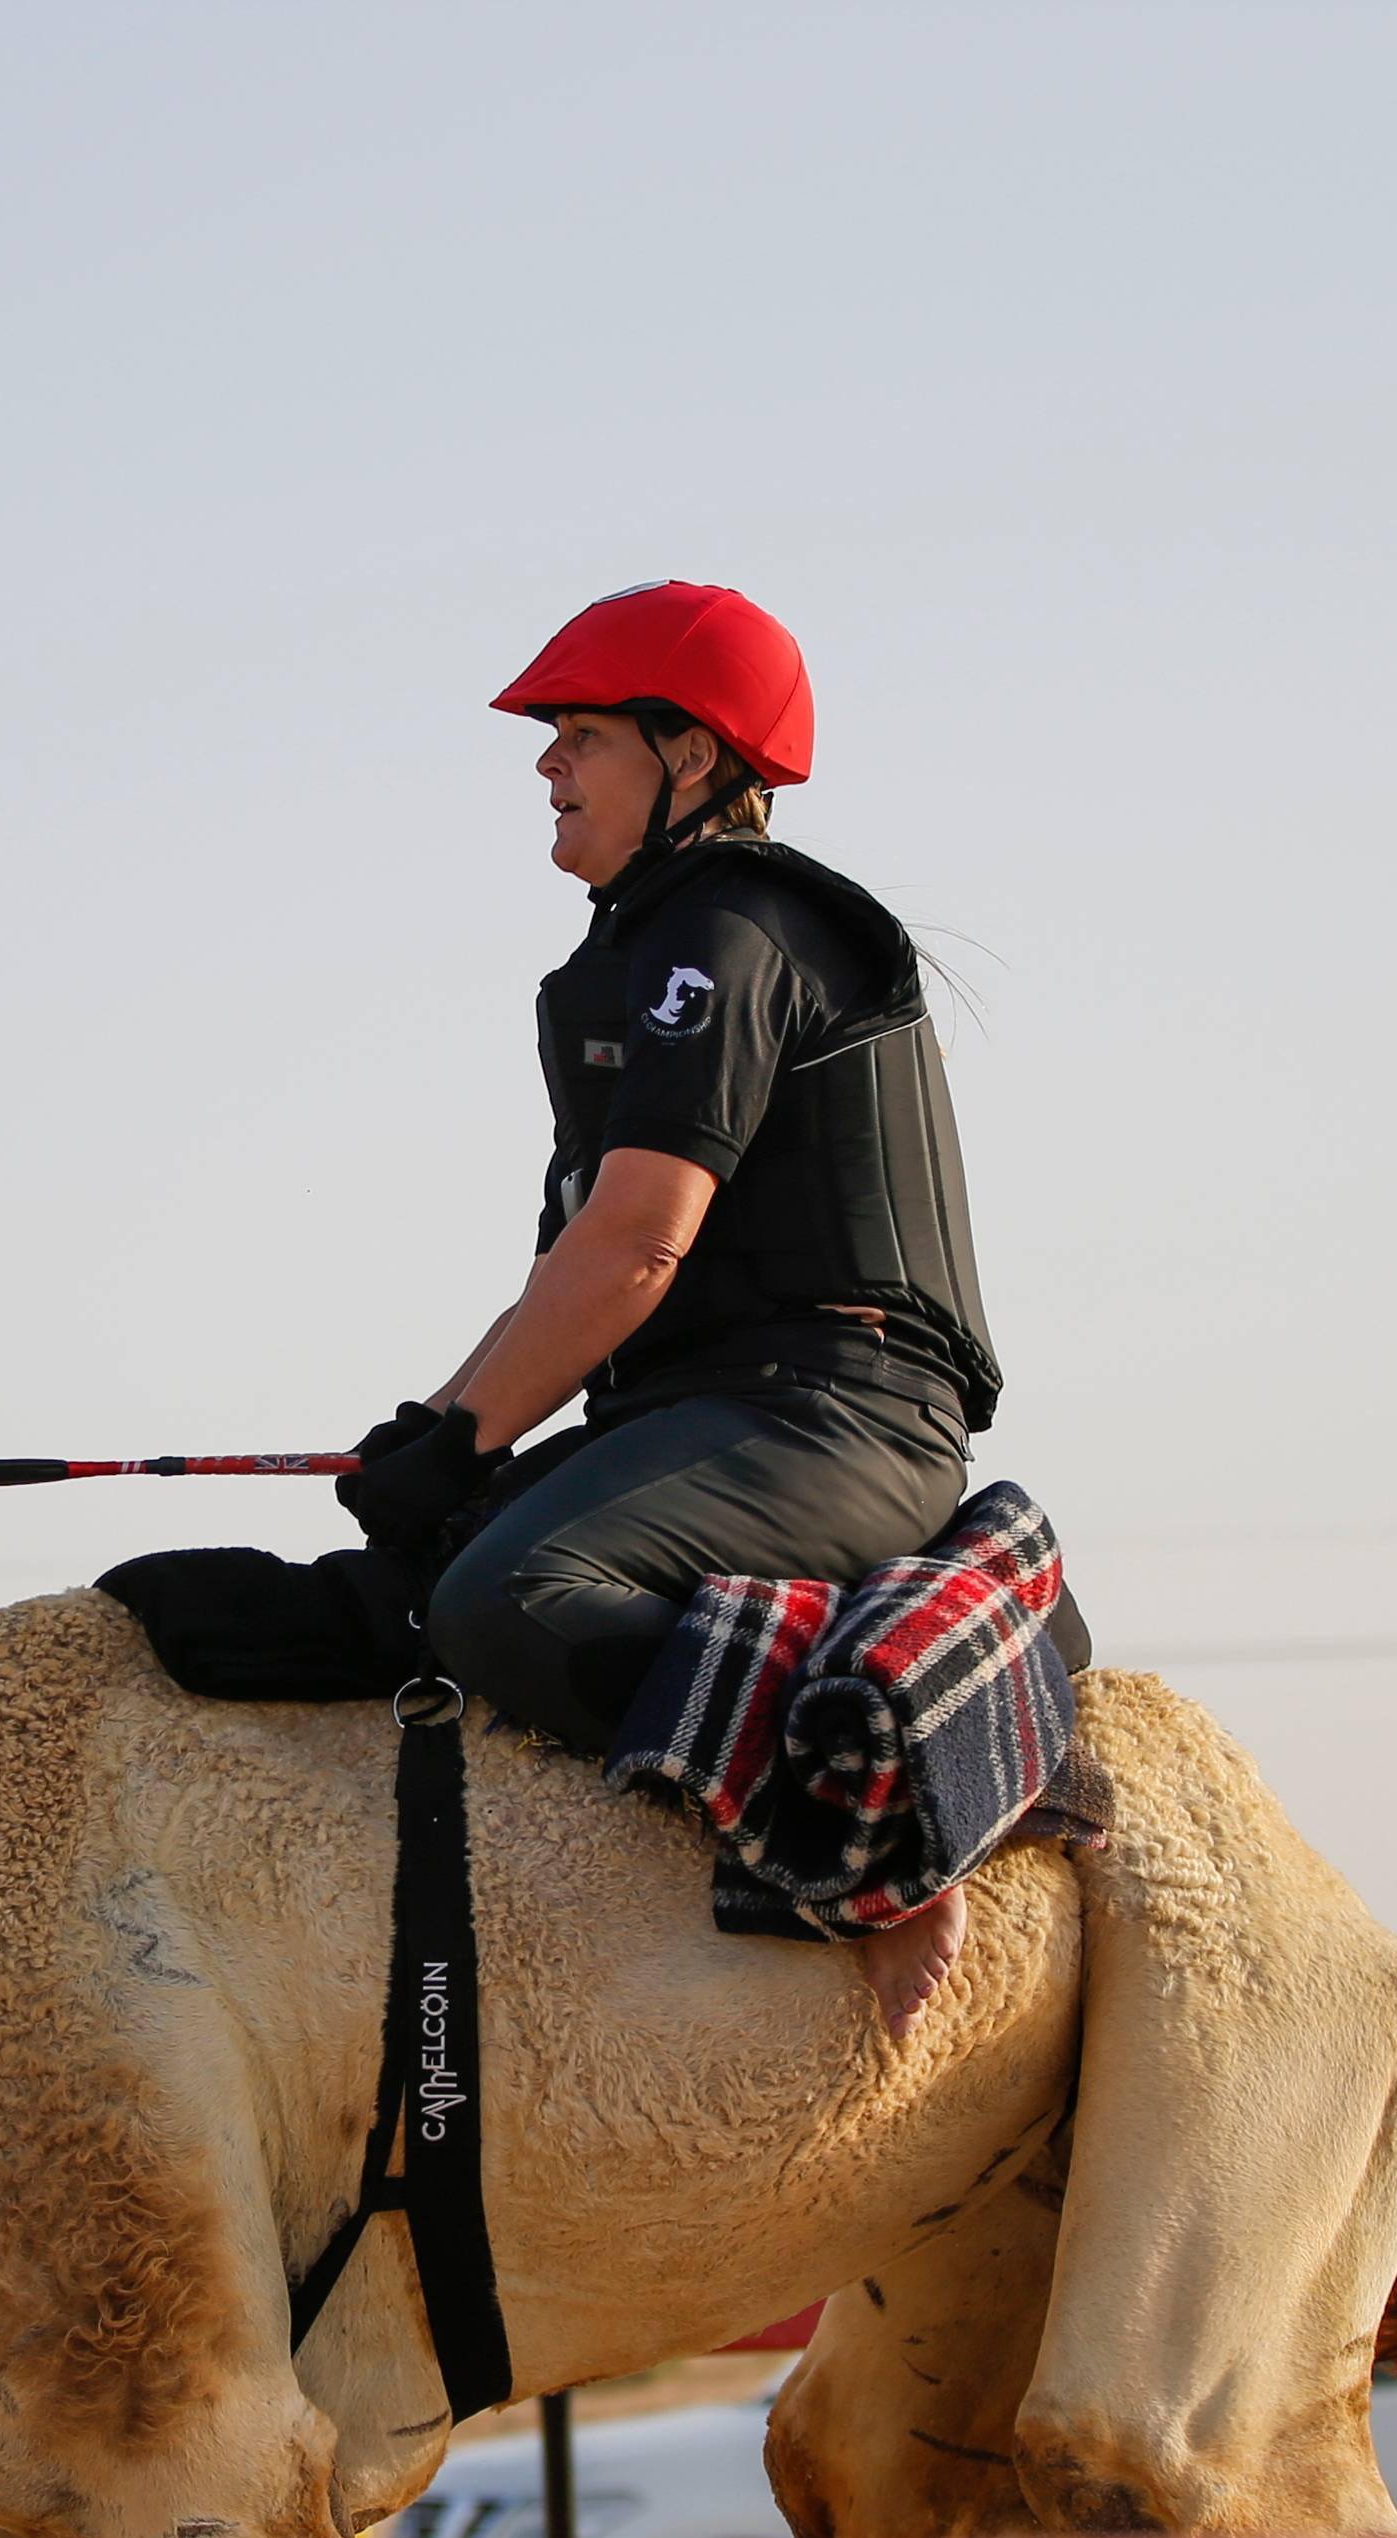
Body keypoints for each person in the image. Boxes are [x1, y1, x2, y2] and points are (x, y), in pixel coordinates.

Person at [333, 579, 1070, 2033]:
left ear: (693, 761)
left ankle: (885, 1815)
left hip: (839, 1418)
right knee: (412, 1584)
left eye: (582, 735)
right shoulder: (637, 948)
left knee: (507, 1601)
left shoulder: (727, 930)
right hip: (711, 1415)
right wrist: (435, 1434)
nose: (547, 765)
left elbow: (632, 1252)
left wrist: (467, 1439)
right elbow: (579, 1272)